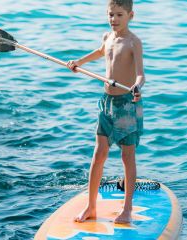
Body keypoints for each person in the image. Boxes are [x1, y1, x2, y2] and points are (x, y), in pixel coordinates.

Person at [67, 0, 145, 224]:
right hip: (107, 103)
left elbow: (141, 74)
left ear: (131, 15)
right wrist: (78, 62)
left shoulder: (133, 42)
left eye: (119, 15)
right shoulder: (107, 37)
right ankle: (91, 206)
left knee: (126, 156)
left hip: (127, 104)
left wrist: (137, 87)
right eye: (111, 14)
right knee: (99, 153)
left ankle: (127, 209)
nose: (114, 19)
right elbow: (101, 52)